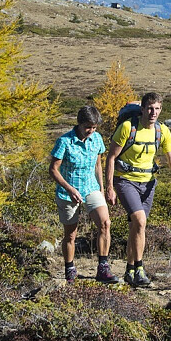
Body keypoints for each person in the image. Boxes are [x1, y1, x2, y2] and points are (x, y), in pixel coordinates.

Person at [105, 91, 171, 287]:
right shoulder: (128, 128)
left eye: (157, 109)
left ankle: (129, 270)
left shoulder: (162, 131)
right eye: (150, 108)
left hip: (148, 183)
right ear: (143, 109)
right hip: (125, 180)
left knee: (137, 227)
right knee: (140, 220)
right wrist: (109, 187)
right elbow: (111, 158)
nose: (153, 112)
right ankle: (140, 268)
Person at [49, 105, 116, 283]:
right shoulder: (64, 142)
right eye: (88, 127)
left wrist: (102, 189)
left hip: (91, 187)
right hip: (68, 192)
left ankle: (103, 268)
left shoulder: (97, 139)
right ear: (79, 123)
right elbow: (53, 170)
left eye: (94, 127)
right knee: (71, 234)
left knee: (105, 223)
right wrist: (70, 189)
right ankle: (69, 268)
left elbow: (97, 164)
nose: (91, 131)